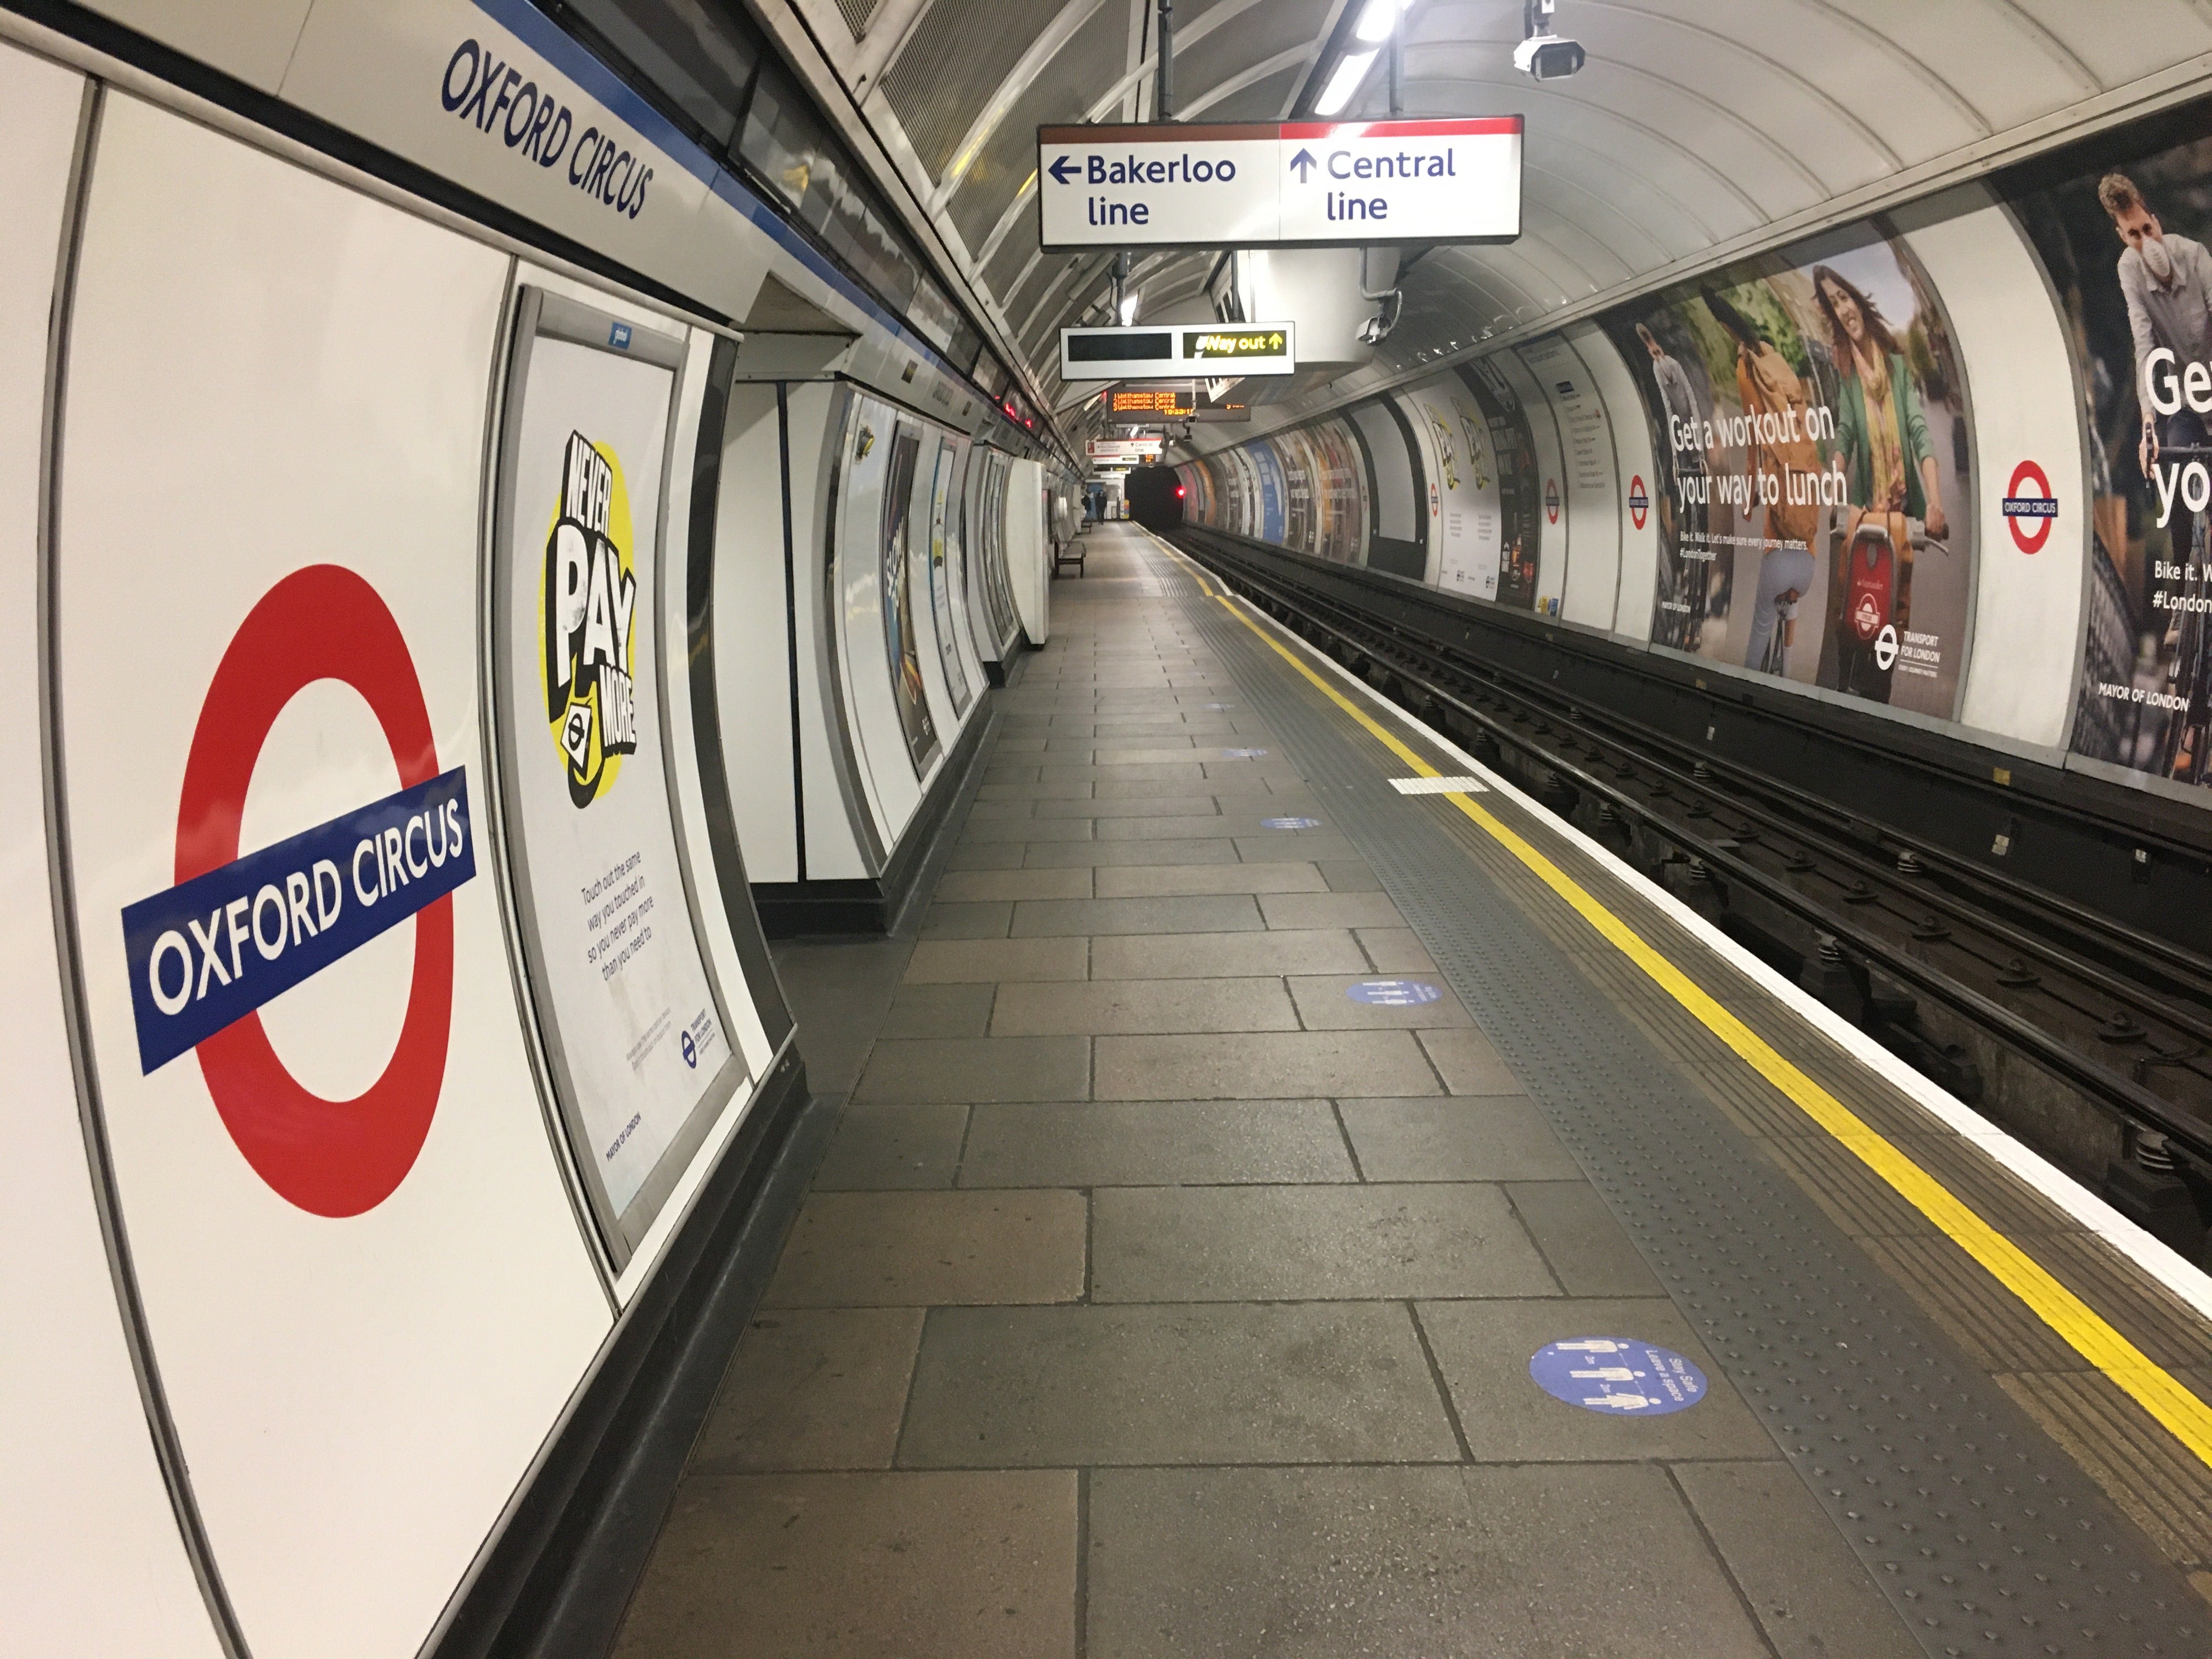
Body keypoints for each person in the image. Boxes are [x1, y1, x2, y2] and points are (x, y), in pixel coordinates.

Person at [1812, 265, 1949, 699]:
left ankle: (1876, 710)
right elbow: (1847, 433)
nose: (1843, 307)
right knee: (1851, 622)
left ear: (1857, 299)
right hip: (1865, 515)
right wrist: (1834, 472)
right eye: (1834, 303)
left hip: (1899, 521)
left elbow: (1918, 430)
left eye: (1844, 297)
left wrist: (1935, 503)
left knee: (1888, 625)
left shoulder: (1896, 367)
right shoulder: (1848, 372)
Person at [1699, 287, 1823, 675]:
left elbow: (1754, 435)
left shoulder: (1746, 368)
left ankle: (1749, 685)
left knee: (1760, 624)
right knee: (1791, 602)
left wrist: (1751, 489)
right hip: (1807, 537)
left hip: (1777, 505)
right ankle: (1787, 671)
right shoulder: (1775, 358)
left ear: (1725, 326)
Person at [1637, 320, 1711, 649]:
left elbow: (1691, 405)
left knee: (1703, 514)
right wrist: (1676, 460)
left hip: (1693, 437)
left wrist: (1697, 447)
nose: (1655, 354)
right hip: (1679, 441)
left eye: (1656, 348)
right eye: (1650, 351)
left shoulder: (1676, 366)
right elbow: (1668, 411)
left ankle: (1700, 603)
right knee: (1685, 505)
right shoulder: (1656, 370)